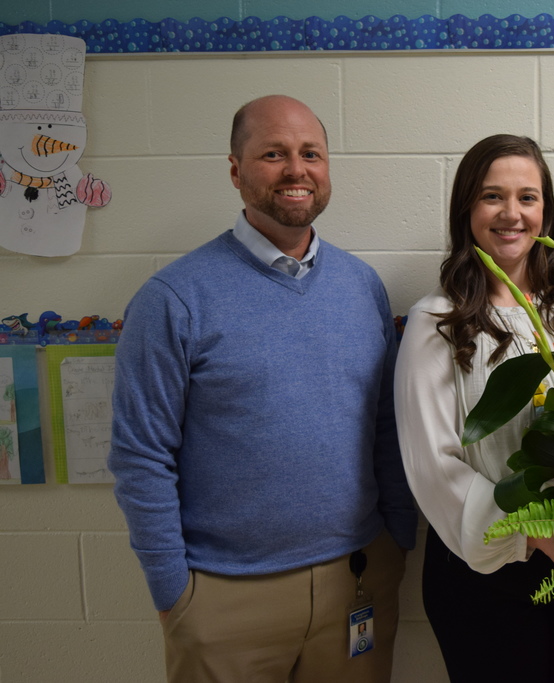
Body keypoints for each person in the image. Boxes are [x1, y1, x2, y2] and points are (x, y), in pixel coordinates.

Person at [108, 95, 416, 683]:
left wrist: (396, 539)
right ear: (235, 171)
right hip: (223, 598)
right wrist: (175, 592)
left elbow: (386, 422)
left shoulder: (361, 285)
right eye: (273, 154)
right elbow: (140, 454)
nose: (296, 170)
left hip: (357, 579)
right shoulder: (174, 299)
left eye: (311, 154)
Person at [394, 134, 554, 682]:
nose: (512, 213)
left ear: (546, 212)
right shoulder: (438, 321)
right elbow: (432, 465)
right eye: (492, 197)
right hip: (486, 574)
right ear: (466, 210)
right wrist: (535, 533)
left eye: (528, 197)